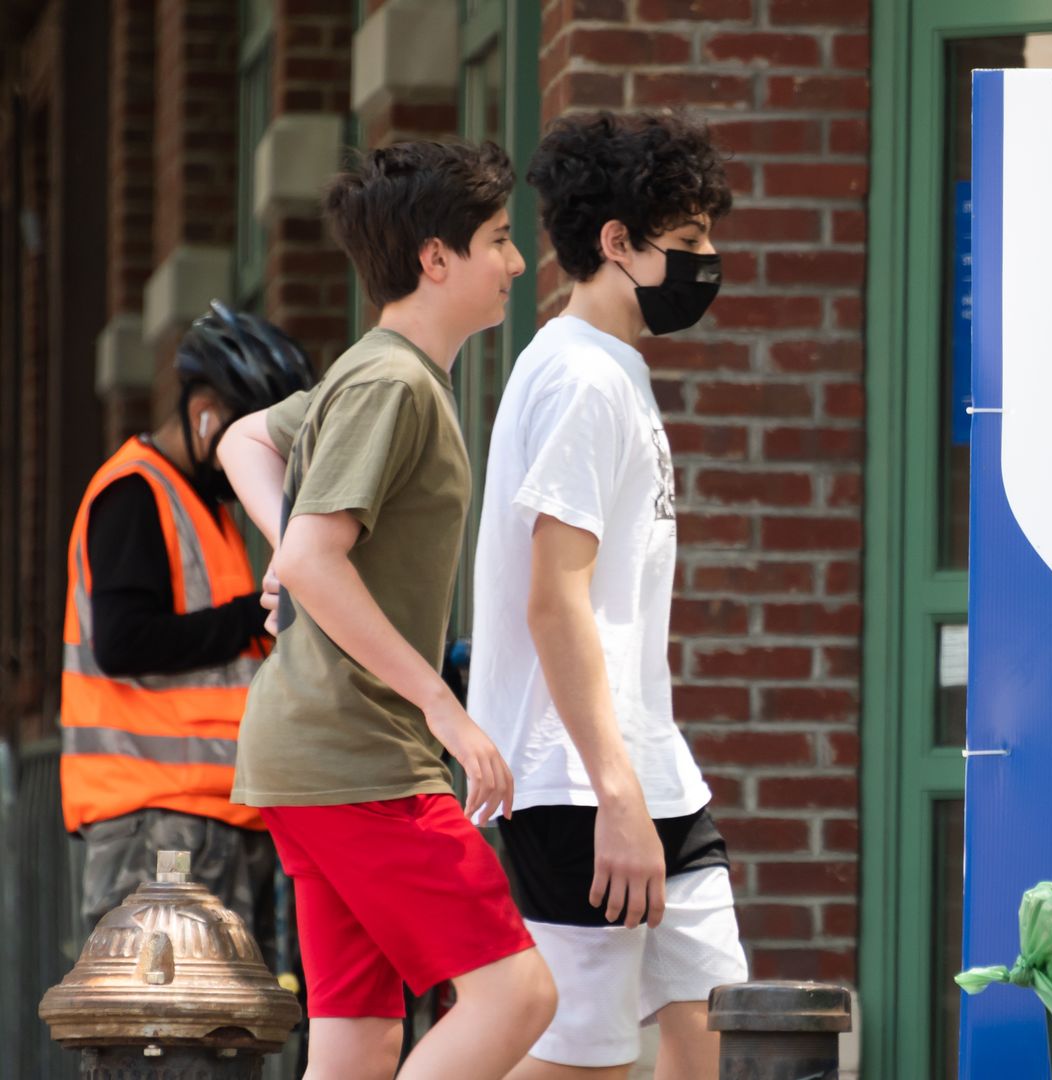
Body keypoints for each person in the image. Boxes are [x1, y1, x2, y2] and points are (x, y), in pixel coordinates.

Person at [218, 139, 556, 1080]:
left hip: (319, 758)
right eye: (497, 239)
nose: (517, 263)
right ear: (435, 259)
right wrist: (445, 709)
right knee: (519, 994)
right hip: (361, 756)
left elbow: (248, 437)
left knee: (362, 1040)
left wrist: (294, 544)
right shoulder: (390, 383)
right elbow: (317, 557)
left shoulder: (374, 374)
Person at [468, 112, 745, 1080]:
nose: (710, 260)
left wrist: (636, 777)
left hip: (642, 761)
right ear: (617, 243)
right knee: (583, 1058)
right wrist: (615, 790)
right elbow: (556, 599)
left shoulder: (607, 372)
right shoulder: (582, 379)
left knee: (716, 1023)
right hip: (576, 779)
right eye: (690, 242)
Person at [60, 301, 314, 942]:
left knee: (214, 1036)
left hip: (202, 820)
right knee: (168, 1038)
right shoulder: (135, 494)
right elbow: (122, 642)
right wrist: (249, 619)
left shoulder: (205, 506)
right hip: (160, 825)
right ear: (206, 411)